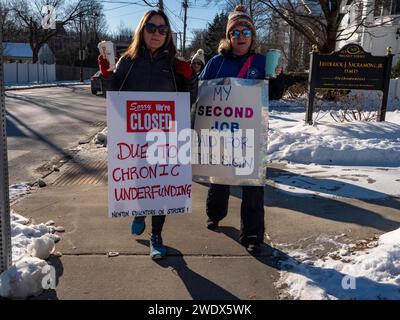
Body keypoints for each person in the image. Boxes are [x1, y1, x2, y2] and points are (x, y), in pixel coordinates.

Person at [98, 10, 198, 260]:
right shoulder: (127, 61)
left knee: (162, 187)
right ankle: (140, 211)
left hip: (165, 136)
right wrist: (107, 75)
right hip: (134, 138)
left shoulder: (175, 64)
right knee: (143, 182)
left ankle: (157, 236)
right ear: (142, 30)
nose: (156, 33)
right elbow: (114, 96)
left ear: (168, 35)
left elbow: (188, 101)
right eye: (151, 28)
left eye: (162, 29)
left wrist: (191, 77)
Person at [198, 5, 281, 255]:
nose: (241, 35)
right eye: (236, 32)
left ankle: (253, 234)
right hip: (221, 132)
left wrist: (277, 77)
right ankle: (215, 214)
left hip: (251, 133)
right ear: (229, 36)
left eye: (246, 31)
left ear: (252, 36)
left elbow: (274, 94)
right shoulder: (216, 62)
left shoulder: (262, 61)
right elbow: (200, 91)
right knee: (220, 177)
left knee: (253, 185)